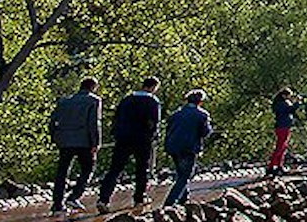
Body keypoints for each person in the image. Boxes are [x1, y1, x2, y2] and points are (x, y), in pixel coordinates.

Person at [97, 76, 164, 212]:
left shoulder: (127, 99)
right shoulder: (152, 101)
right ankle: (139, 198)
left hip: (123, 138)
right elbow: (154, 122)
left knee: (115, 169)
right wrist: (154, 136)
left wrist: (116, 133)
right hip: (142, 139)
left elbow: (116, 117)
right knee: (142, 169)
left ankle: (103, 198)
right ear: (153, 87)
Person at [47, 77, 101, 213]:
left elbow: (53, 121)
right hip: (84, 141)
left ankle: (57, 204)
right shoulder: (93, 101)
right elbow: (94, 123)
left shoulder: (64, 101)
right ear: (93, 87)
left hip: (65, 141)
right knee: (88, 168)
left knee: (62, 172)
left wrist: (55, 137)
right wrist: (96, 143)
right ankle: (74, 196)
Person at [162, 89, 214, 207]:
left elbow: (168, 128)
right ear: (200, 102)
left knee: (181, 173)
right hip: (189, 147)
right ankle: (170, 201)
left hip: (173, 146)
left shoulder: (176, 114)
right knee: (185, 176)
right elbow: (205, 132)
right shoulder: (202, 115)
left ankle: (183, 198)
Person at [267, 87, 299, 176]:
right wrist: (296, 104)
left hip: (286, 126)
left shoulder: (284, 103)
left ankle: (279, 165)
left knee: (283, 147)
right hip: (282, 127)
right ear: (284, 95)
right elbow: (289, 110)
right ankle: (271, 165)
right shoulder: (280, 104)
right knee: (279, 147)